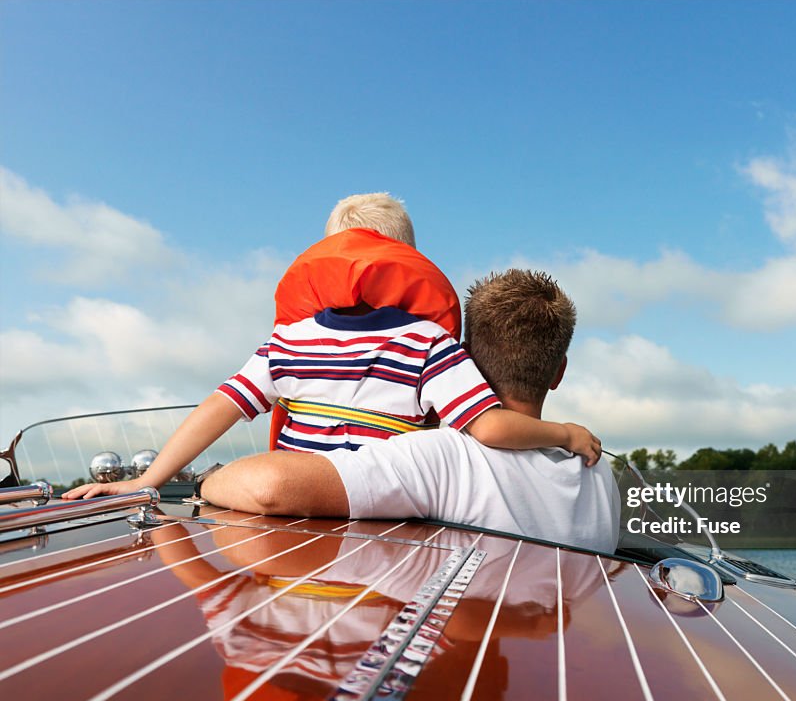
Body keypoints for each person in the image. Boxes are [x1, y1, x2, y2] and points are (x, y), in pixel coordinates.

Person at [65, 196, 600, 502]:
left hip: (287, 515)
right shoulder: (428, 343)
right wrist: (566, 433)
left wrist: (145, 481)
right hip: (385, 521)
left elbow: (218, 410)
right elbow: (488, 428)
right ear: (407, 261)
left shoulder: (286, 343)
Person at [199, 269, 622, 554]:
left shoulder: (443, 457)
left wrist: (205, 482)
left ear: (465, 362)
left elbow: (269, 488)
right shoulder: (598, 472)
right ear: (558, 372)